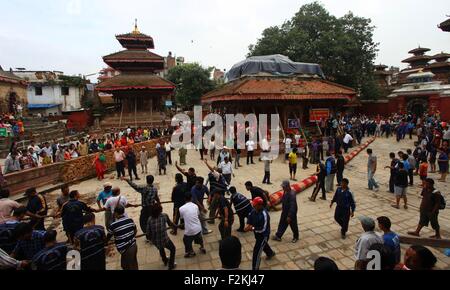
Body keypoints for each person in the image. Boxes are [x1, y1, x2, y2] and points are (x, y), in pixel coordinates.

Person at [245, 197, 276, 270]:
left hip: (263, 235)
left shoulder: (264, 215)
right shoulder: (254, 210)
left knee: (257, 252)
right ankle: (270, 253)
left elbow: (263, 229)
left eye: (255, 206)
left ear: (260, 205)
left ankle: (255, 268)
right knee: (264, 245)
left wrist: (251, 228)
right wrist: (248, 224)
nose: (253, 207)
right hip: (257, 234)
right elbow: (250, 216)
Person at [106, 206, 138, 270]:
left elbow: (108, 236)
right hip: (133, 245)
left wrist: (105, 242)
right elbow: (135, 230)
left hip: (126, 248)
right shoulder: (130, 220)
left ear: (116, 213)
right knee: (131, 264)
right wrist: (130, 236)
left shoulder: (114, 225)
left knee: (129, 266)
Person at [147, 203, 177, 270]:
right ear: (160, 211)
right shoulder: (164, 216)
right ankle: (171, 265)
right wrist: (175, 226)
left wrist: (151, 239)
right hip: (164, 239)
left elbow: (148, 233)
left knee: (161, 248)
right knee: (173, 249)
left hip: (156, 241)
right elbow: (170, 224)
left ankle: (165, 260)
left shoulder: (150, 219)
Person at [179, 193, 206, 258]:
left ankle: (190, 252)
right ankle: (202, 247)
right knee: (199, 238)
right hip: (198, 228)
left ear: (184, 199)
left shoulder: (181, 208)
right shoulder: (195, 206)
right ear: (191, 198)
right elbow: (198, 215)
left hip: (189, 230)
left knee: (186, 240)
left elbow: (182, 218)